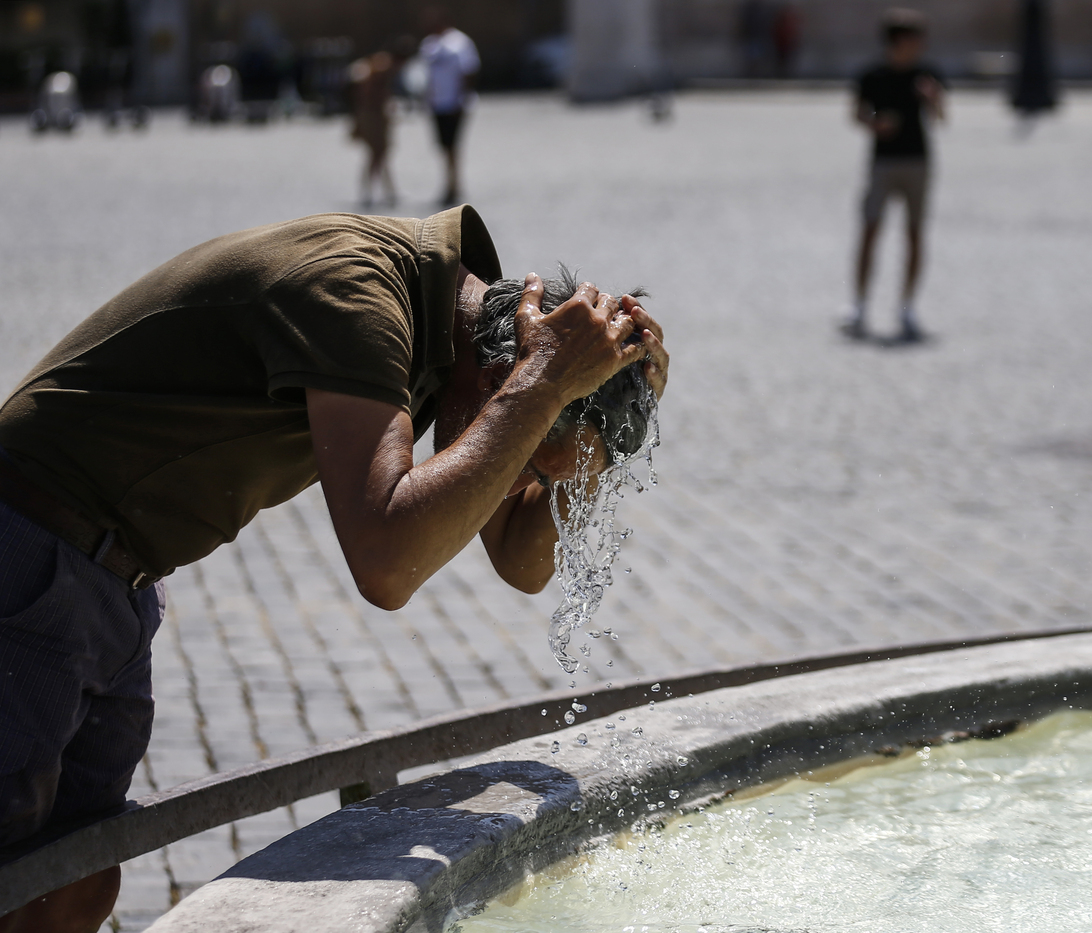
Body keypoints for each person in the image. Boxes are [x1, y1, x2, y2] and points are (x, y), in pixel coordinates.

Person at [0, 206, 669, 933]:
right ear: (498, 376)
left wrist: (606, 432)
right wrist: (542, 384)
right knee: (19, 875)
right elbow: (386, 563)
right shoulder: (359, 295)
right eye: (530, 466)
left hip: (108, 579)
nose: (515, 491)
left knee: (74, 881)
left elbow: (521, 559)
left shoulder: (452, 338)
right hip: (30, 551)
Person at [845, 8, 945, 343]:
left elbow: (941, 117)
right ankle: (859, 304)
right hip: (883, 162)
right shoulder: (873, 75)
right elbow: (857, 114)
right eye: (916, 39)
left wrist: (933, 98)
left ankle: (907, 306)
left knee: (914, 233)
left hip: (918, 161)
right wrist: (876, 124)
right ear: (899, 41)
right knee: (870, 229)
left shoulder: (926, 74)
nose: (922, 45)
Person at [420, 6, 480, 206]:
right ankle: (449, 182)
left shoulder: (460, 42)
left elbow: (469, 71)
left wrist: (461, 99)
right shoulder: (428, 44)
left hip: (454, 103)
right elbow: (425, 75)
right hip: (436, 104)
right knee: (443, 146)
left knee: (454, 145)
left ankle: (454, 185)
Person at [348, 50, 403, 208]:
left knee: (381, 155)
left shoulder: (377, 75)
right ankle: (371, 188)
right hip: (372, 118)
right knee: (377, 154)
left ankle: (386, 189)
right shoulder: (372, 74)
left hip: (377, 118)